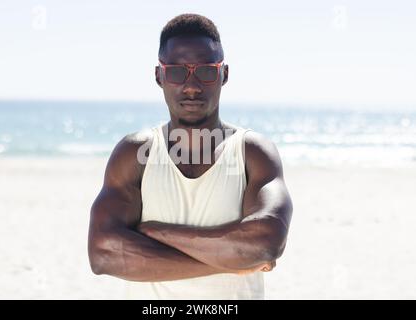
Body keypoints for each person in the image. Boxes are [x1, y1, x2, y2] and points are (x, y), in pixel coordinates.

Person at [88, 13, 293, 299]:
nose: (192, 86)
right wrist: (231, 263)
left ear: (224, 74)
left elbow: (264, 244)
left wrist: (155, 232)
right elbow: (103, 253)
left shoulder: (252, 153)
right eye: (176, 71)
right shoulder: (135, 153)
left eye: (206, 71)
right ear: (159, 76)